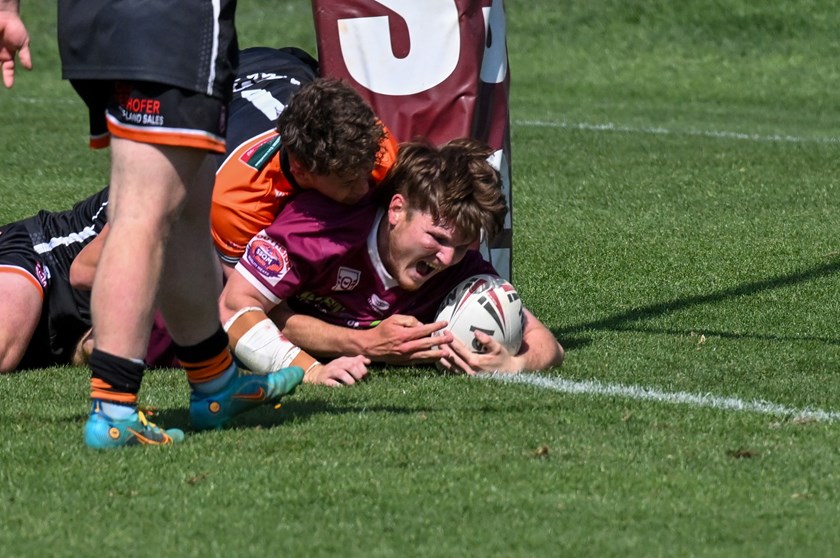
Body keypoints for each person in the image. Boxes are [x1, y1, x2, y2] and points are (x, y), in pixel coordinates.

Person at [2, 0, 305, 448]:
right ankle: (114, 411)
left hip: (99, 18)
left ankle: (215, 385)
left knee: (188, 203)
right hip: (167, 22)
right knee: (144, 210)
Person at [218, 138, 564, 387]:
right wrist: (358, 347)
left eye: (461, 246)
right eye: (438, 238)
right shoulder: (321, 227)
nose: (447, 258)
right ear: (397, 209)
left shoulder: (460, 269)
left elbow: (547, 343)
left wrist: (514, 364)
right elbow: (240, 310)